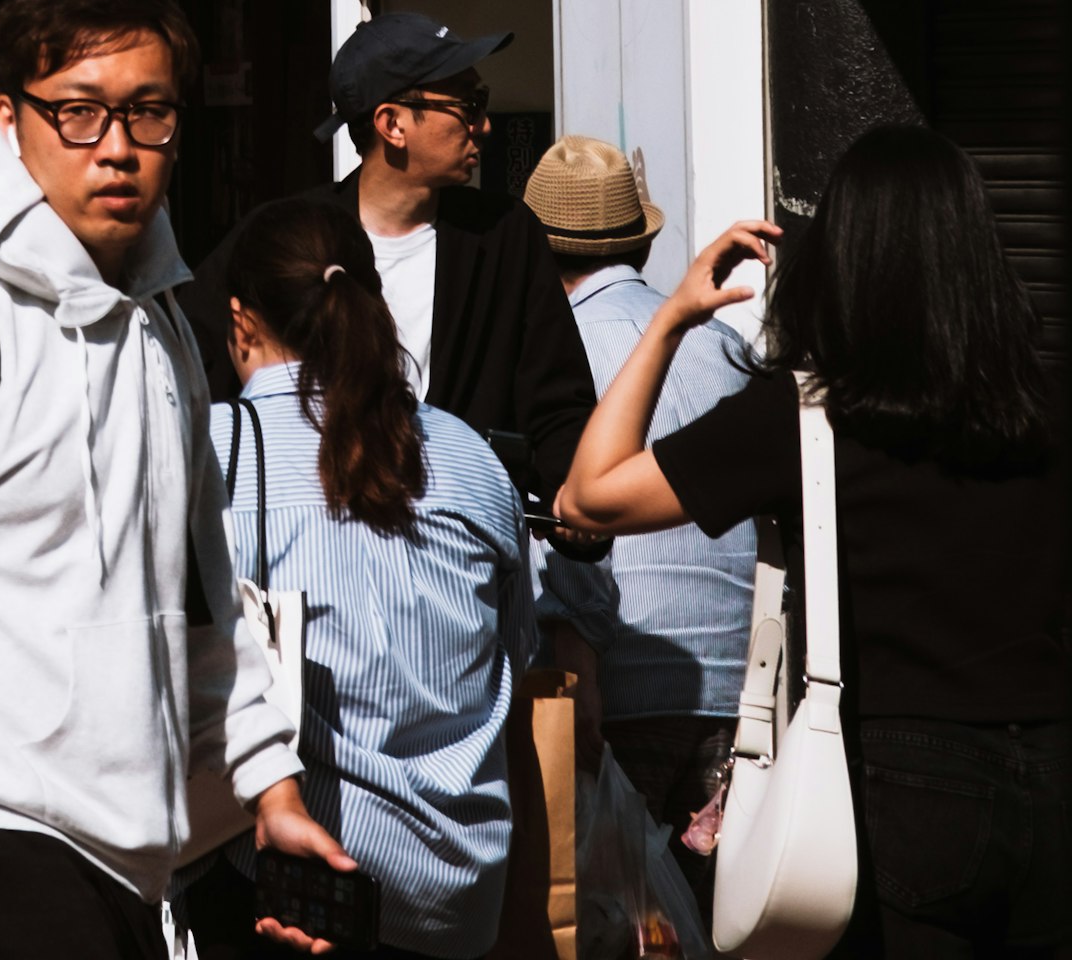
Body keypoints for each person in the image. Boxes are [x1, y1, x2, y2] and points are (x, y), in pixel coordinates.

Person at [0, 0, 349, 960]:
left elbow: (203, 589)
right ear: (9, 120)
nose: (120, 150)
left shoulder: (163, 327)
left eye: (149, 114)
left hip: (137, 863)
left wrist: (269, 784)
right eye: (80, 114)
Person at [561, 124, 1064, 957]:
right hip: (1050, 766)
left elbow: (590, 497)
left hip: (899, 781)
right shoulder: (1041, 408)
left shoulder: (805, 418)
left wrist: (674, 316)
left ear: (846, 258)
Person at [193, 197, 535, 960]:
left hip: (291, 892)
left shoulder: (209, 452)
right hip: (460, 905)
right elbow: (511, 693)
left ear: (242, 322)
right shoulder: (473, 461)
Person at [198, 17, 596, 512]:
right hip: (319, 529)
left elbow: (559, 402)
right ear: (392, 124)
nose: (485, 125)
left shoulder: (505, 235)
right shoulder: (287, 236)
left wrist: (575, 500)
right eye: (469, 106)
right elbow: (202, 369)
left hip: (465, 534)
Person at [521, 135, 756, 860]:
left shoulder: (554, 354)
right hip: (735, 687)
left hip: (617, 688)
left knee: (616, 922)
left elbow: (568, 527)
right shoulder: (721, 344)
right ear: (639, 247)